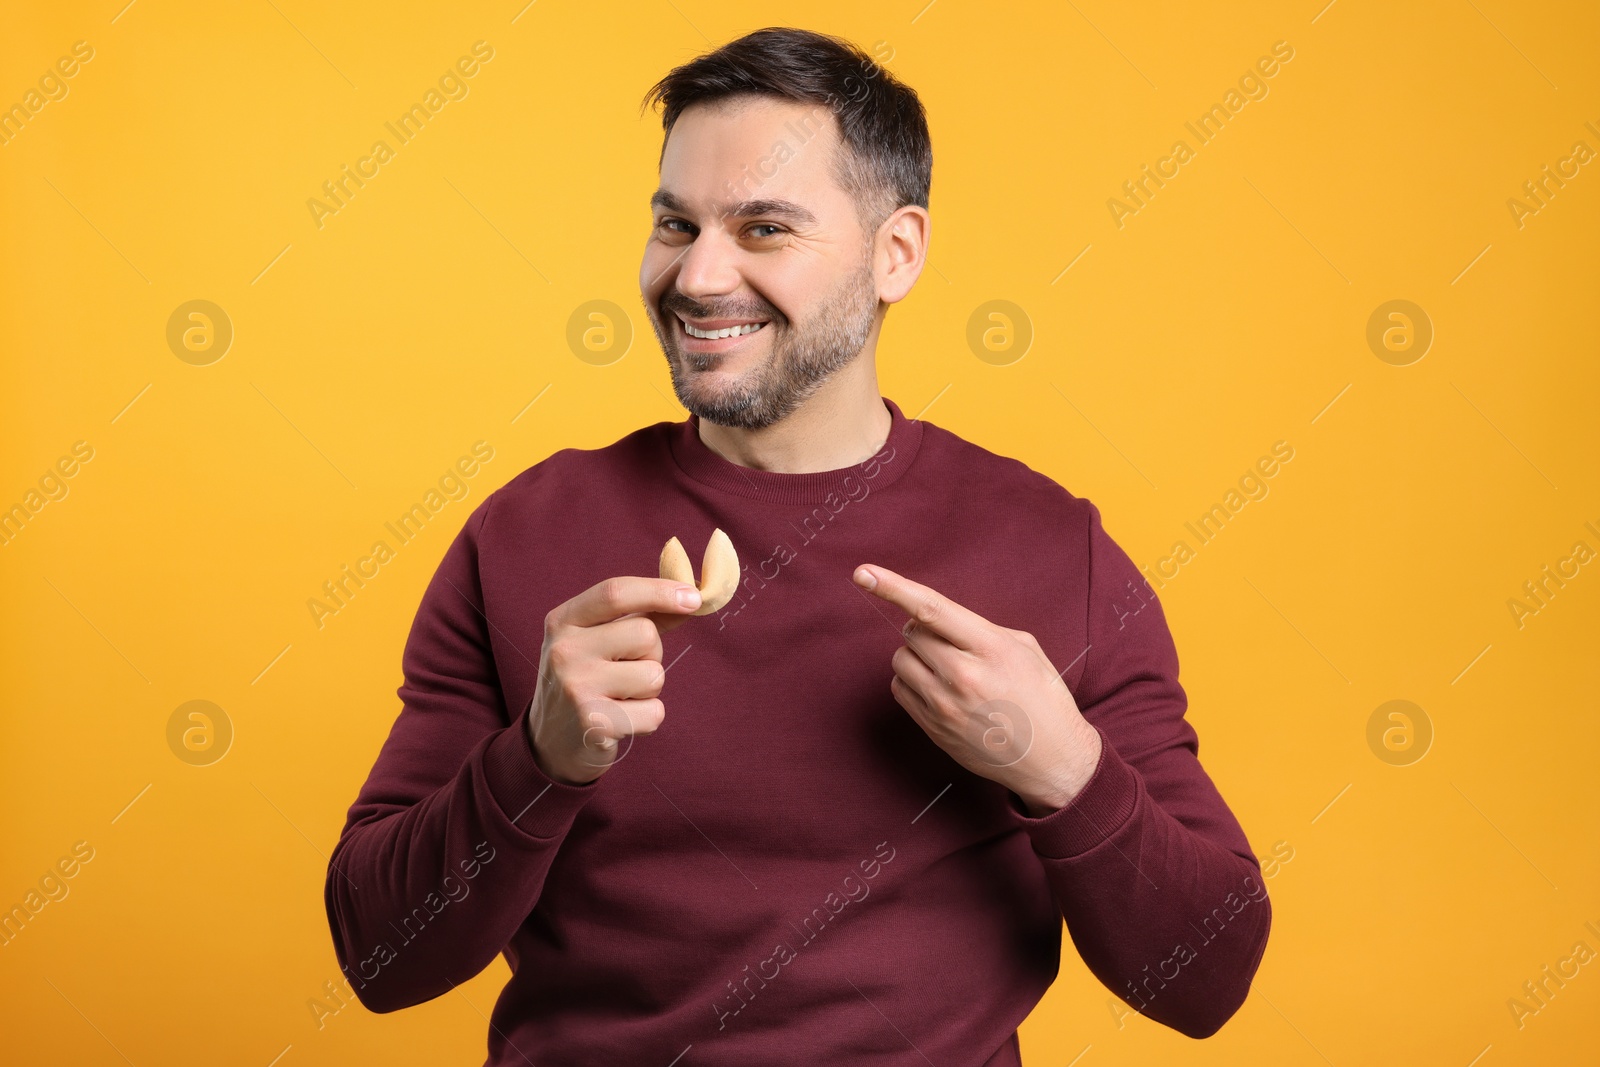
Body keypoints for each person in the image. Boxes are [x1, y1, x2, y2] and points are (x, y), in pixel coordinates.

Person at [324, 26, 1270, 1065]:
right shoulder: (526, 534)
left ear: (894, 253)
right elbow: (381, 956)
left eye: (763, 228)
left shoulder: (1053, 550)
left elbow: (1207, 977)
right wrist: (536, 762)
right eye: (675, 224)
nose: (697, 275)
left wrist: (1060, 765)